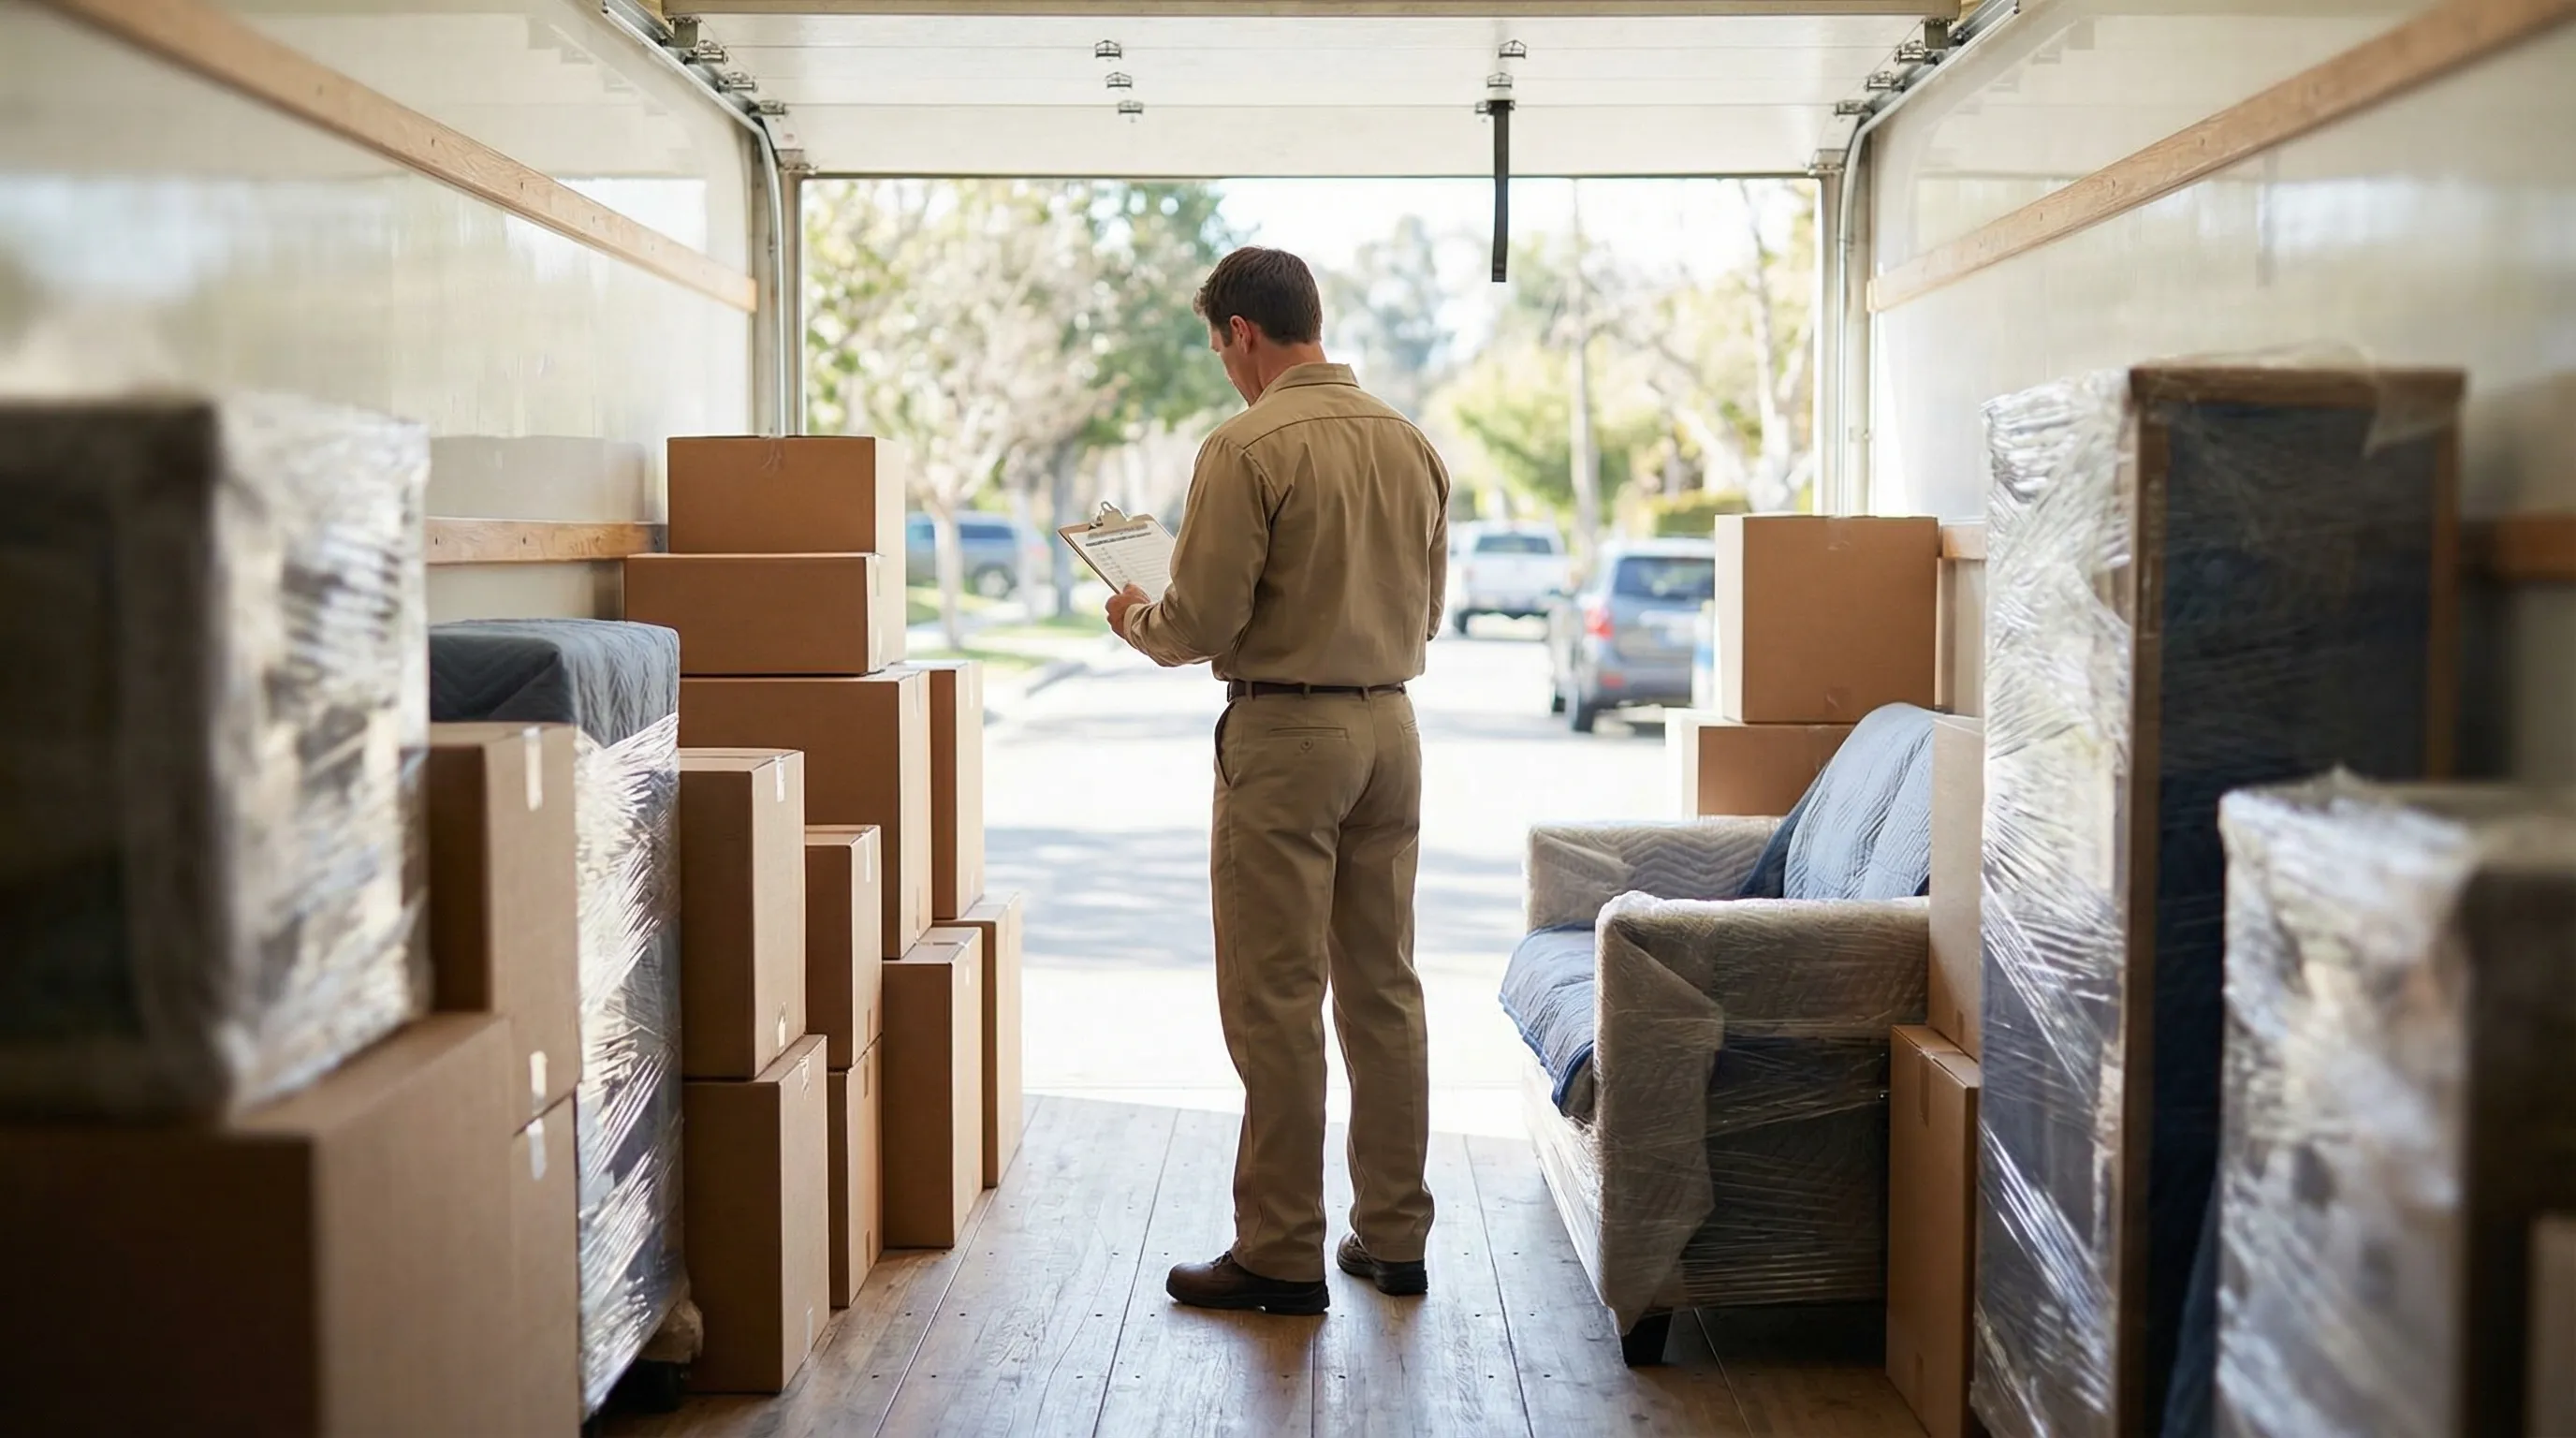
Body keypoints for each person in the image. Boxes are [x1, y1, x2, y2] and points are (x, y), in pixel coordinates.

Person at [1107, 246, 1450, 1315]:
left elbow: (1200, 621)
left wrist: (1134, 615)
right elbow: (1428, 608)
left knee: (1276, 1001)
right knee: (1383, 990)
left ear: (1242, 332)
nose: (1223, 366)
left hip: (1287, 741)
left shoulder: (1244, 445)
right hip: (1390, 729)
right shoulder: (1412, 442)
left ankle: (1281, 1251)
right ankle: (1394, 1238)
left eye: (1219, 346)